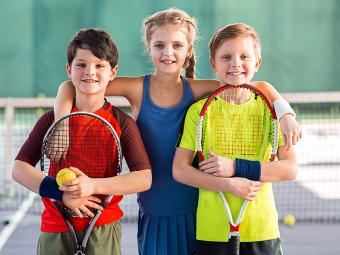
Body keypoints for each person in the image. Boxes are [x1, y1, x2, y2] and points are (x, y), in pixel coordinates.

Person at [53, 9, 301, 255]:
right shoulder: (137, 88)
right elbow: (71, 84)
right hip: (154, 212)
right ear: (149, 48)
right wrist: (61, 122)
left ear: (188, 50)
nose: (168, 53)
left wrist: (285, 113)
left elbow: (255, 86)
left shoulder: (197, 90)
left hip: (198, 214)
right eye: (159, 45)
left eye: (177, 45)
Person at [12, 28, 152, 255]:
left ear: (113, 72)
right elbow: (19, 168)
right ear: (69, 70)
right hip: (55, 227)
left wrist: (93, 185)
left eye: (99, 65)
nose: (90, 72)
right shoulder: (51, 120)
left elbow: (144, 178)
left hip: (103, 227)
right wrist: (61, 195)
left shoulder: (122, 123)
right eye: (81, 65)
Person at [173, 23, 298, 255]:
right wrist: (228, 183)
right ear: (214, 63)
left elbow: (289, 169)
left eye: (244, 56)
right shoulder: (199, 112)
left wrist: (235, 167)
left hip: (263, 229)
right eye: (226, 57)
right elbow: (180, 170)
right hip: (212, 231)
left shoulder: (271, 113)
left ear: (257, 63)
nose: (235, 64)